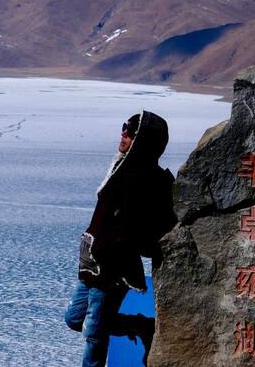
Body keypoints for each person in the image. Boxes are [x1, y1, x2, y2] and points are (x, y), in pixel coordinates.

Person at [63, 111, 177, 367]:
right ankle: (141, 325)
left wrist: (119, 245)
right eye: (124, 127)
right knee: (74, 319)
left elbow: (153, 228)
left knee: (94, 333)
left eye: (130, 130)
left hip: (115, 269)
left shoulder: (151, 181)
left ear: (143, 139)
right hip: (93, 265)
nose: (123, 134)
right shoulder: (120, 167)